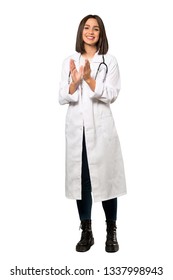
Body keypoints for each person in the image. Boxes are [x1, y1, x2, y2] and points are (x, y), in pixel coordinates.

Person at [59, 14, 126, 253]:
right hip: (77, 130)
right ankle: (86, 231)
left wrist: (89, 79)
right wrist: (76, 81)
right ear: (81, 32)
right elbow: (61, 96)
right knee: (81, 180)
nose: (91, 32)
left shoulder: (110, 60)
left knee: (106, 179)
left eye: (95, 29)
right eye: (87, 28)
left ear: (101, 34)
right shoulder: (70, 60)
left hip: (101, 128)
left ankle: (111, 231)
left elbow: (112, 93)